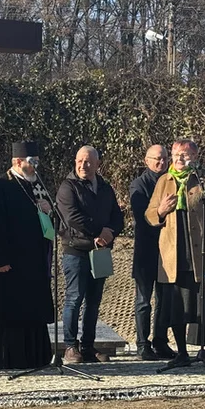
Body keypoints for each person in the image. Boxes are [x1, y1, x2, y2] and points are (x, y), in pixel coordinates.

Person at [146, 138, 205, 368]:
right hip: (175, 254)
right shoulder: (164, 181)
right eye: (176, 154)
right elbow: (150, 214)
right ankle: (182, 353)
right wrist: (161, 211)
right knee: (177, 306)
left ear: (195, 157)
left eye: (185, 155)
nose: (179, 158)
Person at [0, 141, 55, 369]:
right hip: (10, 263)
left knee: (34, 309)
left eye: (37, 162)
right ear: (17, 161)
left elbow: (47, 225)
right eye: (31, 162)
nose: (35, 167)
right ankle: (10, 358)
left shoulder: (39, 186)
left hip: (34, 262)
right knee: (12, 312)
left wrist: (48, 211)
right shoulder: (0, 187)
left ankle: (36, 357)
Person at [56, 145, 124, 363]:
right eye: (79, 161)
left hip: (101, 252)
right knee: (74, 298)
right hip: (76, 250)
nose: (83, 165)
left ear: (97, 164)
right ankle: (70, 346)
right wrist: (98, 231)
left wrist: (110, 232)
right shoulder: (68, 187)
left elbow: (117, 216)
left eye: (87, 162)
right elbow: (72, 217)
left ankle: (87, 346)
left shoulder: (105, 188)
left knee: (94, 301)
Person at [130, 144, 176, 360]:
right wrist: (160, 211)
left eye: (165, 158)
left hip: (167, 250)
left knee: (164, 299)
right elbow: (142, 216)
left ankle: (160, 341)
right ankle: (142, 344)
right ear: (146, 161)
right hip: (146, 251)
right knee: (144, 301)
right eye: (156, 159)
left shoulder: (171, 181)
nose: (161, 163)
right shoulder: (139, 185)